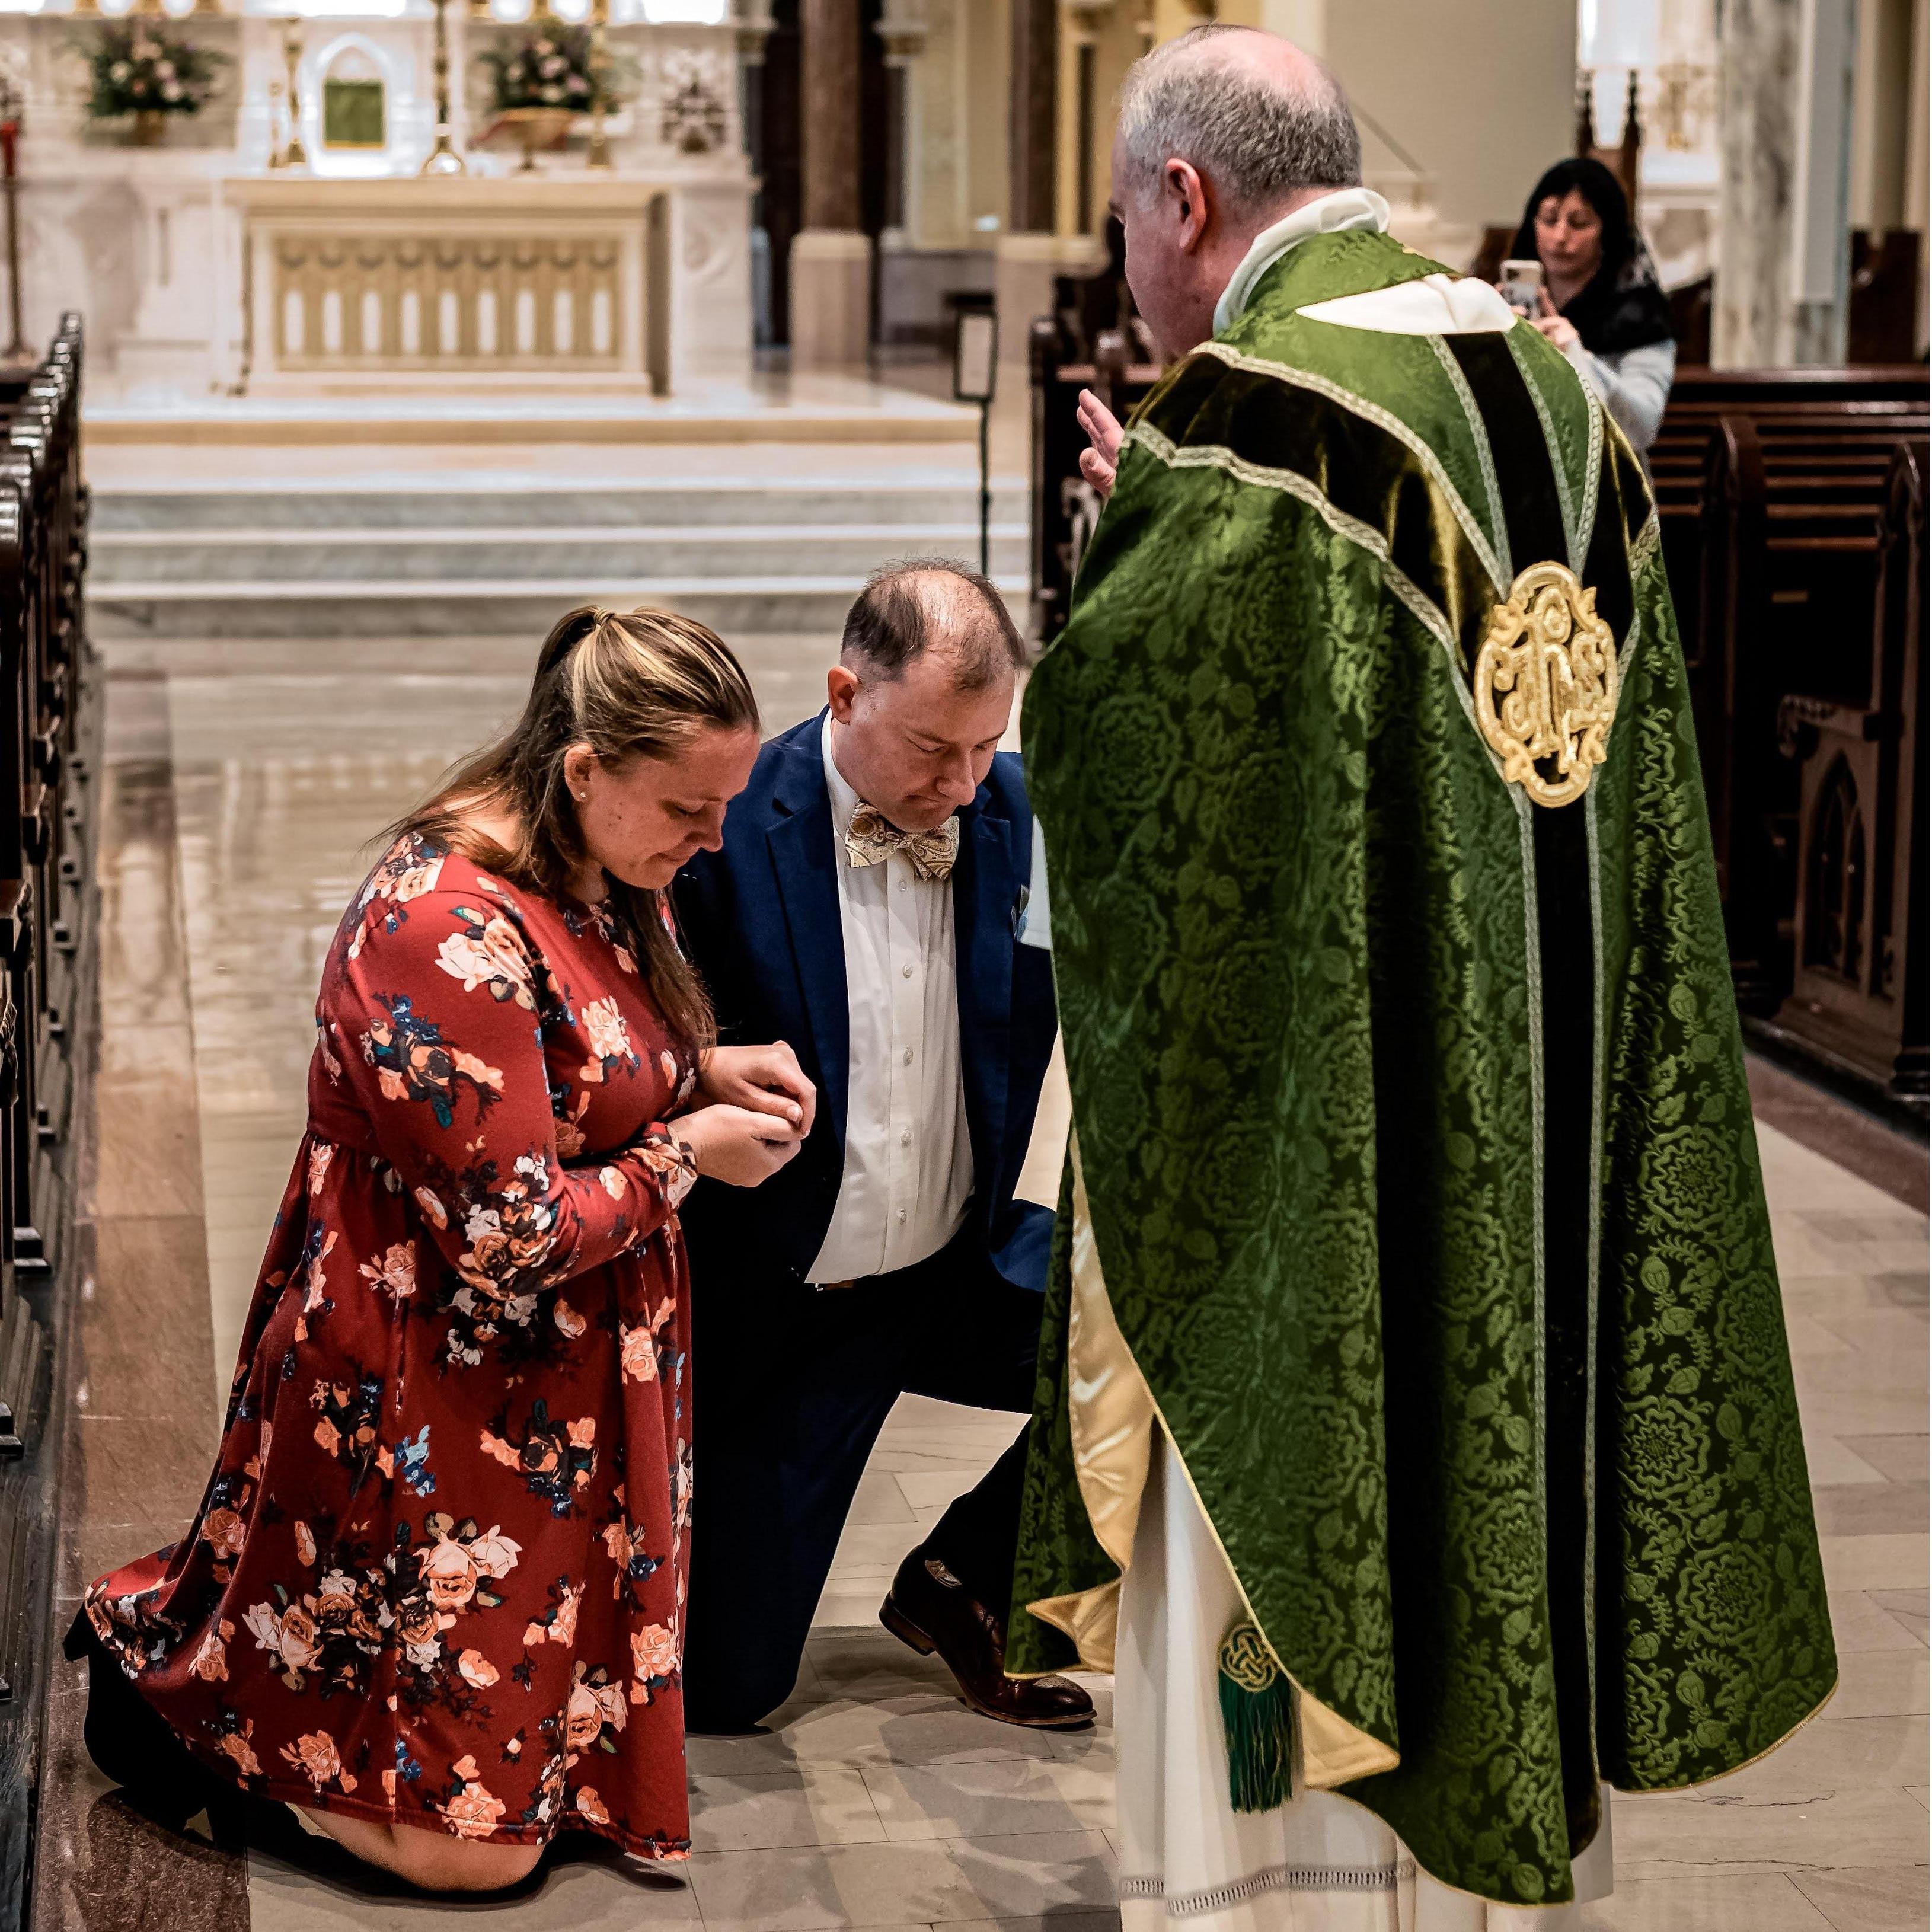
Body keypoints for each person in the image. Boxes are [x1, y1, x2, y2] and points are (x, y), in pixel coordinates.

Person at [1015, 24, 1835, 1932]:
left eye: (1128, 227)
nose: (1132, 276)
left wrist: (1115, 555)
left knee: (1317, 1402)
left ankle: (1274, 1889)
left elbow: (1148, 773)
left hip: (1342, 1155)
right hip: (1533, 1111)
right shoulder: (1545, 389)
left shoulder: (1255, 414)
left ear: (1187, 201)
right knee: (1514, 1389)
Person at [70, 608, 818, 1894]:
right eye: (690, 809)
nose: (713, 839)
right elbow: (508, 1234)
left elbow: (573, 1061)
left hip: (552, 1393)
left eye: (725, 804)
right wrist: (686, 1151)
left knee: (530, 1796)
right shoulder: (440, 923)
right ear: (583, 769)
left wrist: (696, 1064)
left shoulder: (603, 872)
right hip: (427, 1385)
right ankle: (183, 1720)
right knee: (467, 1864)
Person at [673, 560, 1093, 1735]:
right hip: (791, 1301)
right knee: (727, 1693)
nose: (961, 786)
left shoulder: (1017, 816)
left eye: (983, 747)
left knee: (1182, 1335)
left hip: (961, 1261)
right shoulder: (727, 828)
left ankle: (965, 1584)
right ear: (844, 693)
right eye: (931, 750)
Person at [1502, 155, 1678, 456]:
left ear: (1607, 232)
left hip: (1607, 483)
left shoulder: (1641, 318)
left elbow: (1641, 427)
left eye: (1579, 223)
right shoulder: (1507, 301)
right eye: (1549, 219)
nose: (1560, 236)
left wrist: (1575, 355)